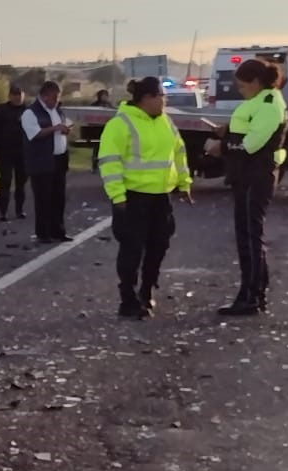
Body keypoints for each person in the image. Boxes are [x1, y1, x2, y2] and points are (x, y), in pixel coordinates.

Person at [97, 76, 193, 319]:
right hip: (132, 197)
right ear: (147, 98)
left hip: (160, 197)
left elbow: (178, 153)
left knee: (159, 245)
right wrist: (118, 196)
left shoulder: (166, 122)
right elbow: (109, 162)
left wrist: (184, 183)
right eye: (161, 96)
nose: (164, 100)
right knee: (132, 249)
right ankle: (127, 299)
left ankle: (147, 289)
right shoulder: (120, 124)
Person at [206, 59, 288, 315]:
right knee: (248, 235)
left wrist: (222, 147)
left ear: (256, 82)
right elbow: (247, 129)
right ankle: (254, 292)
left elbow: (252, 144)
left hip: (255, 176)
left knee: (249, 237)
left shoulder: (268, 103)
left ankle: (250, 296)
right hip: (247, 175)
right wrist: (227, 132)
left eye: (243, 86)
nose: (241, 91)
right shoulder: (262, 100)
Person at [21, 80, 72, 243]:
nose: (57, 100)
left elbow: (60, 128)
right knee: (44, 199)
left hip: (59, 159)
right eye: (54, 97)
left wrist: (65, 129)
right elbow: (34, 134)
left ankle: (58, 231)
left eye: (58, 97)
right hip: (41, 162)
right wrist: (56, 128)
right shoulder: (30, 113)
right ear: (44, 96)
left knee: (59, 197)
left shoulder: (57, 111)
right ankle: (43, 233)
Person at [0, 85, 29, 221]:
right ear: (10, 96)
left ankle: (19, 210)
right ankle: (3, 212)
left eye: (20, 94)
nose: (18, 97)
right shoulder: (2, 110)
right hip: (5, 150)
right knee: (5, 181)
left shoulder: (28, 110)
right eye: (15, 94)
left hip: (22, 151)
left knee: (21, 182)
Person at [90, 89, 113, 172]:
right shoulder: (94, 106)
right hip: (96, 131)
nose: (104, 97)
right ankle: (94, 166)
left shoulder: (109, 106)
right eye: (102, 95)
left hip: (107, 130)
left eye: (105, 95)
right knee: (96, 149)